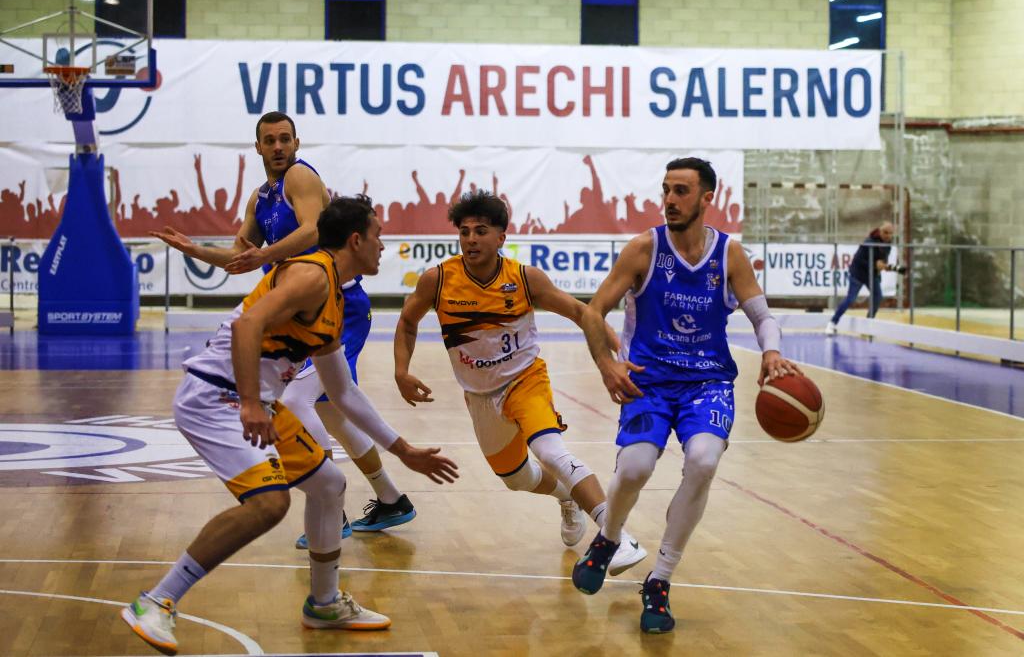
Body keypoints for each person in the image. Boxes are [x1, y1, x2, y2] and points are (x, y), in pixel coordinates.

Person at [121, 196, 458, 656]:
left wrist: (404, 451)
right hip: (215, 395)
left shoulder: (333, 297)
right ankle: (156, 601)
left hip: (250, 398)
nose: (383, 245)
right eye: (378, 235)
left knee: (329, 484)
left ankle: (324, 604)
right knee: (269, 503)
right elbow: (248, 326)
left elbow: (343, 392)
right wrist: (249, 403)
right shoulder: (311, 275)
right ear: (355, 240)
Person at [151, 112, 418, 542]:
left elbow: (313, 230)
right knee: (330, 411)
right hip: (301, 310)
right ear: (257, 147)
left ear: (296, 143)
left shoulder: (300, 176)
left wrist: (265, 255)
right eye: (270, 140)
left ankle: (333, 509)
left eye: (285, 139)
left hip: (339, 305)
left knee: (297, 401)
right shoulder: (260, 198)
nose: (278, 147)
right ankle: (391, 499)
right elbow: (242, 257)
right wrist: (196, 250)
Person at [570, 158, 801, 634]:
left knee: (703, 461)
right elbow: (594, 311)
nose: (670, 200)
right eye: (666, 190)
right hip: (648, 381)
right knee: (635, 468)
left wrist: (772, 352)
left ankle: (660, 580)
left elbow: (763, 317)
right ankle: (608, 538)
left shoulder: (729, 254)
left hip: (708, 382)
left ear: (706, 197)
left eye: (681, 191)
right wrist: (607, 364)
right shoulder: (644, 248)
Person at [393, 191, 647, 573]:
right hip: (479, 395)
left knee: (551, 452)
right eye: (464, 232)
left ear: (501, 237)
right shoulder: (438, 279)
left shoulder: (525, 278)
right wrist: (401, 370)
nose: (471, 239)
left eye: (481, 231)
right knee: (515, 479)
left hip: (524, 380)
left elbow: (580, 311)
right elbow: (407, 322)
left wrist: (611, 349)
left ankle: (617, 537)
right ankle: (567, 497)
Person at [825, 221, 905, 335]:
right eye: (886, 232)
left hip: (872, 275)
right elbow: (858, 260)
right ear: (880, 231)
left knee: (878, 296)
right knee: (850, 299)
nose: (888, 235)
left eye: (891, 233)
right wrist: (875, 265)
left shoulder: (888, 245)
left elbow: (883, 262)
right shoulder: (869, 242)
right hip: (858, 273)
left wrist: (888, 267)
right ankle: (832, 323)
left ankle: (868, 324)